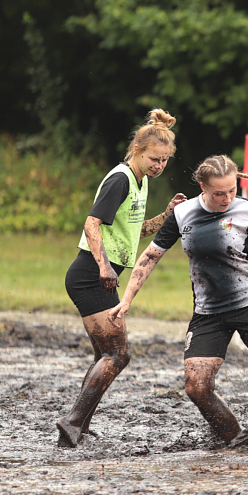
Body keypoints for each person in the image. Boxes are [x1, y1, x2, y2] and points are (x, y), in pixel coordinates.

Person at [107, 155, 248, 445]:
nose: (227, 198)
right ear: (203, 187)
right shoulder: (183, 214)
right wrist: (127, 300)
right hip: (209, 312)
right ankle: (237, 440)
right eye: (219, 193)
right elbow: (150, 256)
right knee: (196, 387)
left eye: (232, 190)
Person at [58, 108, 187, 448]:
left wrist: (165, 216)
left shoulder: (140, 182)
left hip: (100, 274)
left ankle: (78, 427)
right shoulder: (121, 178)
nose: (159, 166)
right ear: (138, 150)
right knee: (118, 353)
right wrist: (103, 266)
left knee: (105, 354)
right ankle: (72, 423)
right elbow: (91, 223)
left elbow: (132, 232)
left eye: (164, 161)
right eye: (154, 159)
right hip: (91, 274)